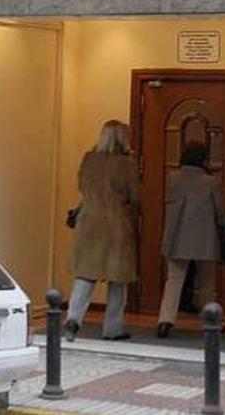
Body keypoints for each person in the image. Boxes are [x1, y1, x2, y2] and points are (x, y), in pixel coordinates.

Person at [64, 120, 140, 342]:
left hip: (88, 223)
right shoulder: (127, 164)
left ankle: (73, 320)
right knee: (118, 279)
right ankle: (112, 328)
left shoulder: (89, 160)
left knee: (85, 275)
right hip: (116, 224)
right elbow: (134, 196)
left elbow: (81, 186)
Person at [157, 142, 225, 338]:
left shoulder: (173, 178)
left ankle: (165, 321)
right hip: (204, 239)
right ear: (203, 159)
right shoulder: (210, 182)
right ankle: (210, 322)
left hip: (177, 237)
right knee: (206, 283)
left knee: (174, 280)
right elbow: (219, 211)